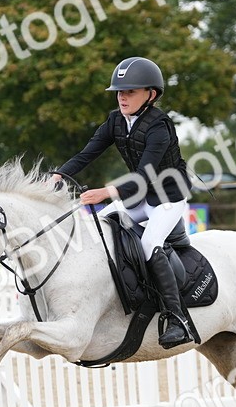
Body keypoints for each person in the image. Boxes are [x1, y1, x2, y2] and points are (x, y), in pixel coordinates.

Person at [49, 56, 193, 349]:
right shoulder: (116, 120)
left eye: (130, 92)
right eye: (119, 92)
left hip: (167, 197)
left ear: (150, 94)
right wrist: (59, 174)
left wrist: (105, 193)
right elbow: (88, 152)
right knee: (99, 228)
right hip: (138, 196)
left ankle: (178, 320)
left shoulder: (160, 126)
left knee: (150, 244)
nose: (122, 97)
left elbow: (145, 175)